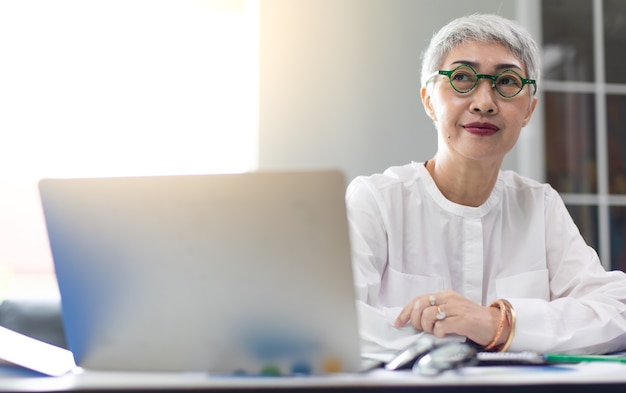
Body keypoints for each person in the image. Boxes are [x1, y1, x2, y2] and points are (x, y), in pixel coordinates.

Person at [346, 13, 626, 359]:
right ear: (429, 100)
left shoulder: (539, 206)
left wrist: (497, 324)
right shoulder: (376, 201)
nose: (484, 102)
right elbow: (336, 321)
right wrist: (457, 334)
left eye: (507, 82)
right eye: (462, 77)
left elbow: (617, 312)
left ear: (528, 110)